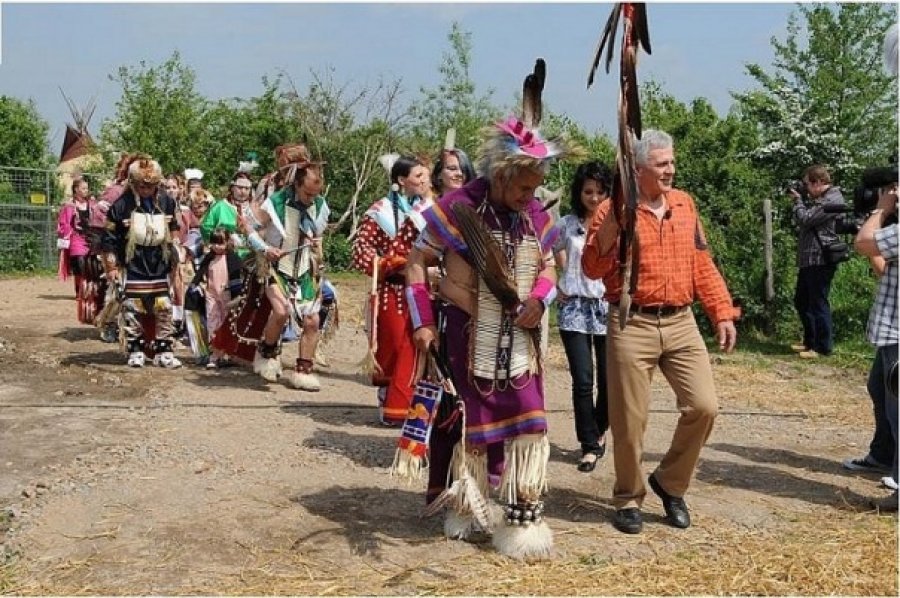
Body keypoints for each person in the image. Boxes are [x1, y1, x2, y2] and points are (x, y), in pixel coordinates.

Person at [406, 115, 576, 559]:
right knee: (471, 427)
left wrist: (540, 300)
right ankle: (467, 508)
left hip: (522, 339)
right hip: (467, 335)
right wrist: (423, 321)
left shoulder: (534, 212)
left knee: (530, 422)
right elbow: (416, 263)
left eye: (535, 187)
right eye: (523, 187)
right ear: (501, 175)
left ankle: (523, 524)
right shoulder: (457, 206)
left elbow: (551, 267)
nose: (530, 196)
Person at [581, 129, 739, 535]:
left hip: (682, 321)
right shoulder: (611, 210)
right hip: (631, 322)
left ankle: (670, 483)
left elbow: (701, 262)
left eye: (671, 162)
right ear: (638, 170)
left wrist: (721, 311)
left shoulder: (685, 205)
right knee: (630, 420)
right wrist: (614, 224)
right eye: (662, 164)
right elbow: (591, 270)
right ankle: (628, 497)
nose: (671, 170)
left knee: (704, 406)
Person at [210, 144, 328, 391]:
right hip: (276, 268)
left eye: (314, 195)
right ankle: (266, 351)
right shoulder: (274, 202)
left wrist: (316, 241)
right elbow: (247, 227)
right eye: (307, 194)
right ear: (296, 184)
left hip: (304, 268)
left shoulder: (318, 204)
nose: (311, 199)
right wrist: (265, 249)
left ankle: (303, 370)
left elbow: (317, 233)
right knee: (281, 311)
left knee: (312, 320)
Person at [351, 155, 432, 425]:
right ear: (401, 180)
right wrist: (390, 263)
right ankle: (392, 402)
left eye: (425, 175)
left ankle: (409, 408)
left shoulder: (430, 209)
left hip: (425, 289)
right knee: (396, 345)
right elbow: (361, 252)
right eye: (418, 176)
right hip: (393, 290)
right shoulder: (380, 213)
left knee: (421, 347)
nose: (424, 180)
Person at [553, 161, 614, 473]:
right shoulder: (566, 224)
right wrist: (554, 284)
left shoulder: (615, 225)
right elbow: (541, 250)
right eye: (589, 191)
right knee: (583, 379)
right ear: (580, 192)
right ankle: (589, 445)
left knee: (608, 379)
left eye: (601, 192)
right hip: (574, 307)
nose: (594, 197)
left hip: (606, 306)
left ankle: (600, 429)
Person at [100, 156, 182, 369]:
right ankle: (135, 349)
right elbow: (108, 239)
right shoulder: (121, 205)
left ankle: (164, 349)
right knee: (132, 307)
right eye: (142, 185)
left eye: (151, 185)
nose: (146, 189)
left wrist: (176, 251)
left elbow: (174, 228)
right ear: (133, 183)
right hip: (133, 262)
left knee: (163, 306)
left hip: (159, 262)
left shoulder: (166, 201)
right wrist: (111, 267)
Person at [853, 180, 899, 512]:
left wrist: (880, 210)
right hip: (890, 330)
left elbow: (864, 243)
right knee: (878, 389)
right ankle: (884, 457)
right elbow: (882, 265)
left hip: (897, 333)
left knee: (898, 411)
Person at [788, 165, 847, 358]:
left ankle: (823, 347)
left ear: (819, 182)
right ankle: (809, 342)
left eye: (807, 184)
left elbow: (805, 219)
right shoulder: (821, 199)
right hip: (810, 258)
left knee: (818, 302)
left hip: (821, 258)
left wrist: (797, 201)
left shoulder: (832, 200)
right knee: (802, 301)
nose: (805, 189)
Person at [57, 177, 104, 325]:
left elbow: (100, 217)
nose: (85, 190)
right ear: (76, 189)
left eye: (86, 188)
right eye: (83, 188)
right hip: (76, 237)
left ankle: (90, 289)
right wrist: (67, 234)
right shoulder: (69, 206)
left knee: (91, 264)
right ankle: (79, 291)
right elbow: (63, 223)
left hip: (90, 237)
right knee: (79, 262)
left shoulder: (92, 204)